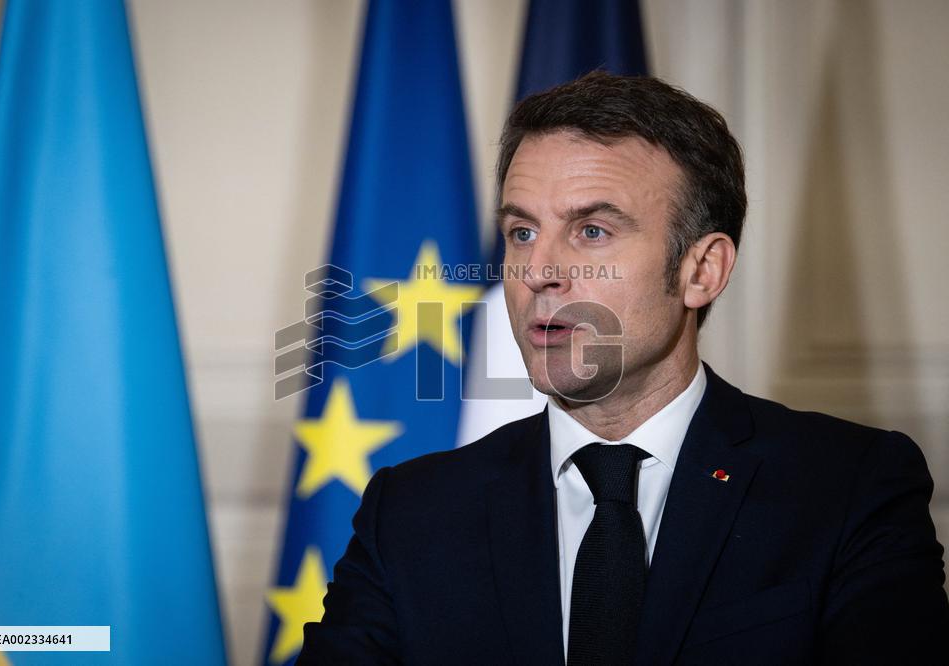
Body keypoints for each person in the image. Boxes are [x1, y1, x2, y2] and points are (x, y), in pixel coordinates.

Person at [298, 72, 949, 664]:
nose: (540, 272)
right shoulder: (411, 512)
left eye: (591, 232)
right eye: (522, 232)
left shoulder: (849, 489)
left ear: (701, 270)